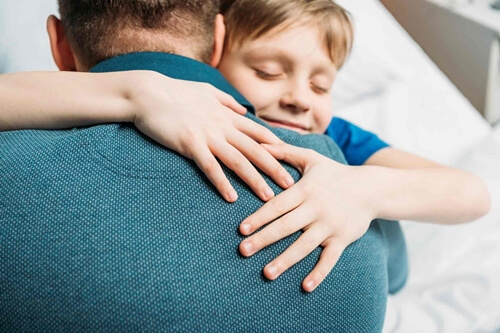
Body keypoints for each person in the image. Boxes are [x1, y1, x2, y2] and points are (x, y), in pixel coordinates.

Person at [0, 0, 491, 293]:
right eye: (268, 73)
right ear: (216, 54)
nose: (299, 98)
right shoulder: (189, 117)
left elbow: (472, 194)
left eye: (321, 85)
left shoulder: (336, 137)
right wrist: (139, 91)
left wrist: (363, 190)